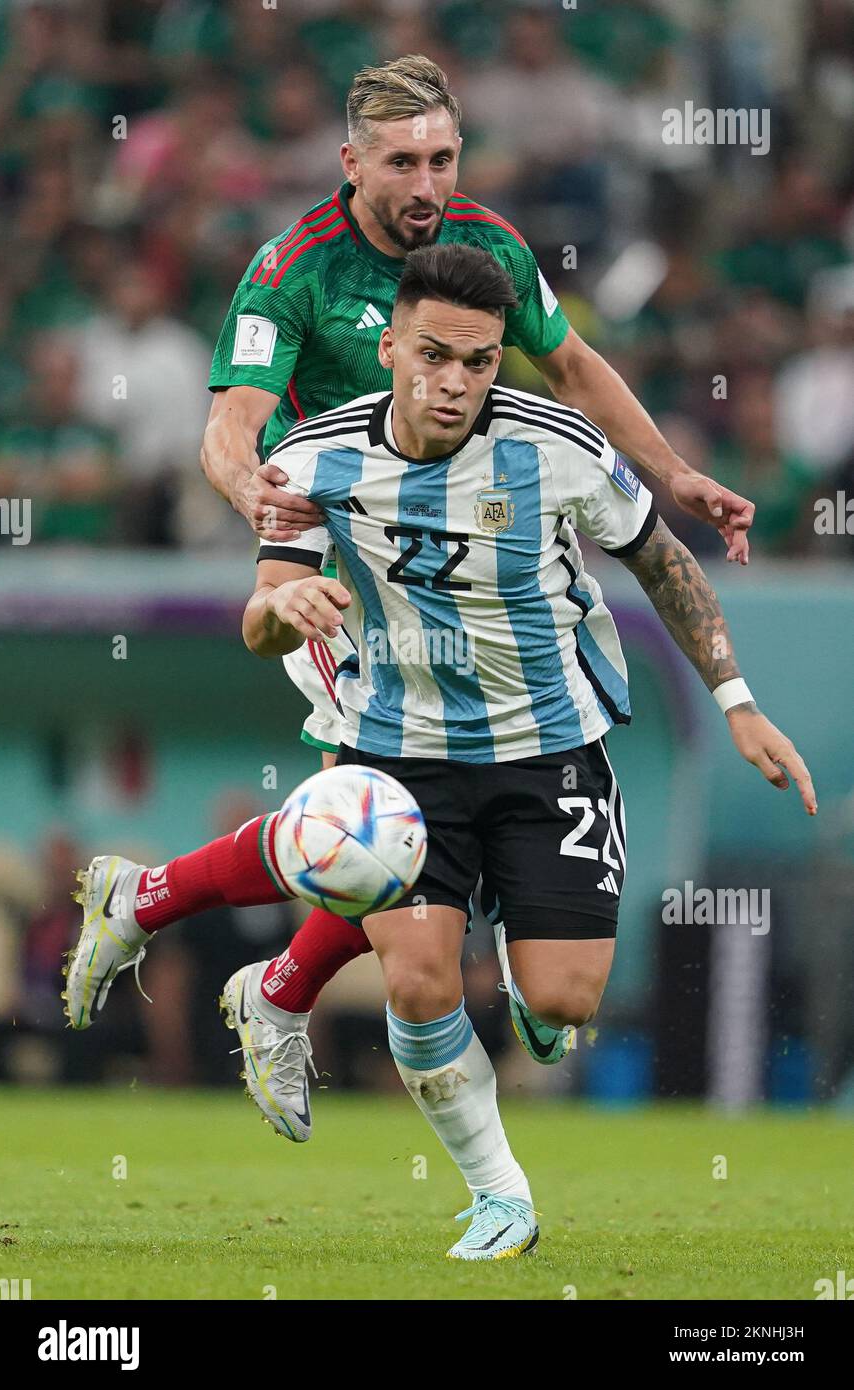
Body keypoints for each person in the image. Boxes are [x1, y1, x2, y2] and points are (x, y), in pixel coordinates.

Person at [65, 246, 815, 1258]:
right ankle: (499, 1193)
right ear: (389, 347)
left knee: (557, 1007)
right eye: (434, 355)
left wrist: (735, 699)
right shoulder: (318, 456)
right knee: (419, 977)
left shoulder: (557, 446)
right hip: (401, 744)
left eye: (478, 361)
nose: (455, 381)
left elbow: (660, 556)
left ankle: (197, 925)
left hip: (549, 747)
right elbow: (259, 617)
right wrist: (281, 605)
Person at [65, 53, 758, 1125]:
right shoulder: (291, 269)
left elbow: (570, 367)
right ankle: (266, 981)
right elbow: (228, 427)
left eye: (441, 157)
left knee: (385, 821)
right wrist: (268, 509)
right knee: (385, 812)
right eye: (401, 162)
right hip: (344, 568)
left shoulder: (486, 246)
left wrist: (669, 472)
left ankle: (175, 914)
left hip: (459, 558)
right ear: (350, 162)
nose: (426, 182)